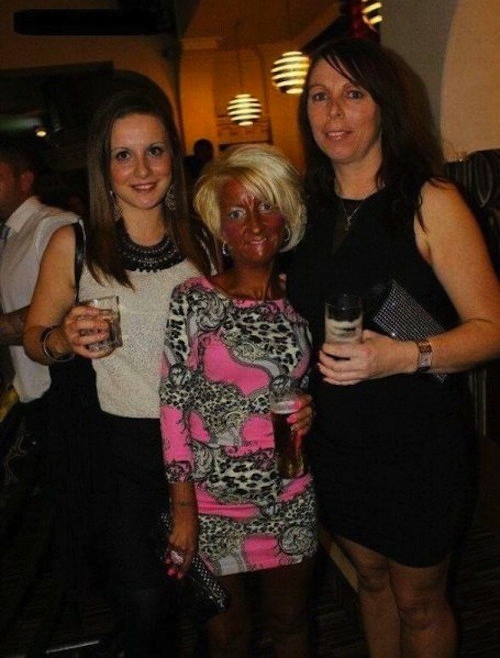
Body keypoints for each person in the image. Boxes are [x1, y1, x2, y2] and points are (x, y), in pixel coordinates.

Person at [286, 37, 500, 658]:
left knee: (419, 603)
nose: (333, 112)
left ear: (385, 106)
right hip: (335, 441)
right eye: (319, 96)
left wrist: (401, 356)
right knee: (371, 581)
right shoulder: (303, 208)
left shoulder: (431, 201)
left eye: (353, 94)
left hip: (417, 444)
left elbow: (492, 328)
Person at [23, 87, 213, 656]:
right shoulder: (74, 243)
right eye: (123, 155)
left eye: (154, 151)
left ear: (173, 156)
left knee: (210, 605)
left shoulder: (204, 238)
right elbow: (34, 339)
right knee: (144, 605)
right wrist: (63, 339)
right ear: (103, 168)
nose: (142, 170)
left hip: (203, 443)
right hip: (120, 453)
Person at [159, 144, 317, 657]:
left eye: (266, 205)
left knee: (291, 623)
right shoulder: (193, 298)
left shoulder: (304, 299)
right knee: (227, 638)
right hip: (210, 504)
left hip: (289, 494)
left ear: (286, 217)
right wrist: (184, 511)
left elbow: (323, 379)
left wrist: (313, 407)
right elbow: (173, 408)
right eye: (235, 212)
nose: (253, 223)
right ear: (220, 229)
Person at [0, 142, 77, 453]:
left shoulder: (54, 225)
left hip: (61, 394)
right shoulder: (10, 236)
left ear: (25, 179)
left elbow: (76, 303)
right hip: (24, 397)